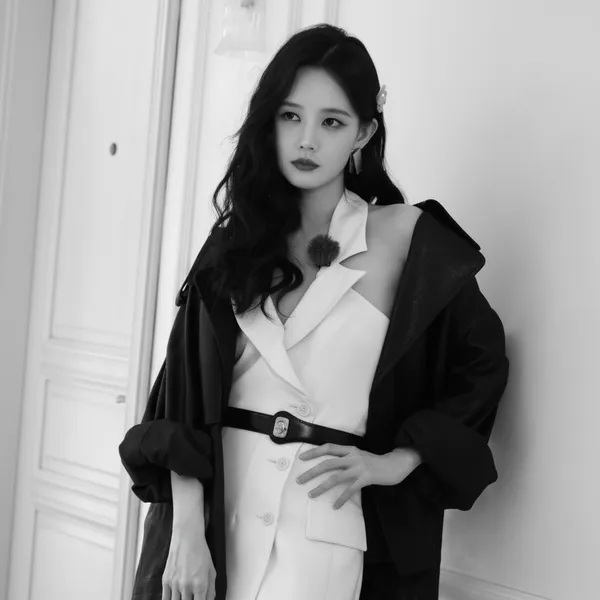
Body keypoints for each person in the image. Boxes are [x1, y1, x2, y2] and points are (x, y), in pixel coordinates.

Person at [119, 23, 510, 600]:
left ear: (363, 132)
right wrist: (186, 533)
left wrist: (400, 460)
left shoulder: (405, 239)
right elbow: (182, 394)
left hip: (323, 531)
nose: (307, 140)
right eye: (290, 116)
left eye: (331, 122)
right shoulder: (233, 245)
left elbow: (481, 365)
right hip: (213, 523)